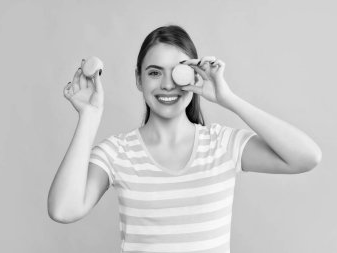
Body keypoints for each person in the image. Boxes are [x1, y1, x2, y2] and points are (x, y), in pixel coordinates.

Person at [48, 25, 322, 252]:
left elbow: (307, 157)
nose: (167, 85)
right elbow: (63, 210)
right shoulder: (117, 153)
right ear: (139, 80)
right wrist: (90, 116)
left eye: (177, 71)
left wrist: (229, 99)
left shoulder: (221, 144)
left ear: (194, 75)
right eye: (154, 73)